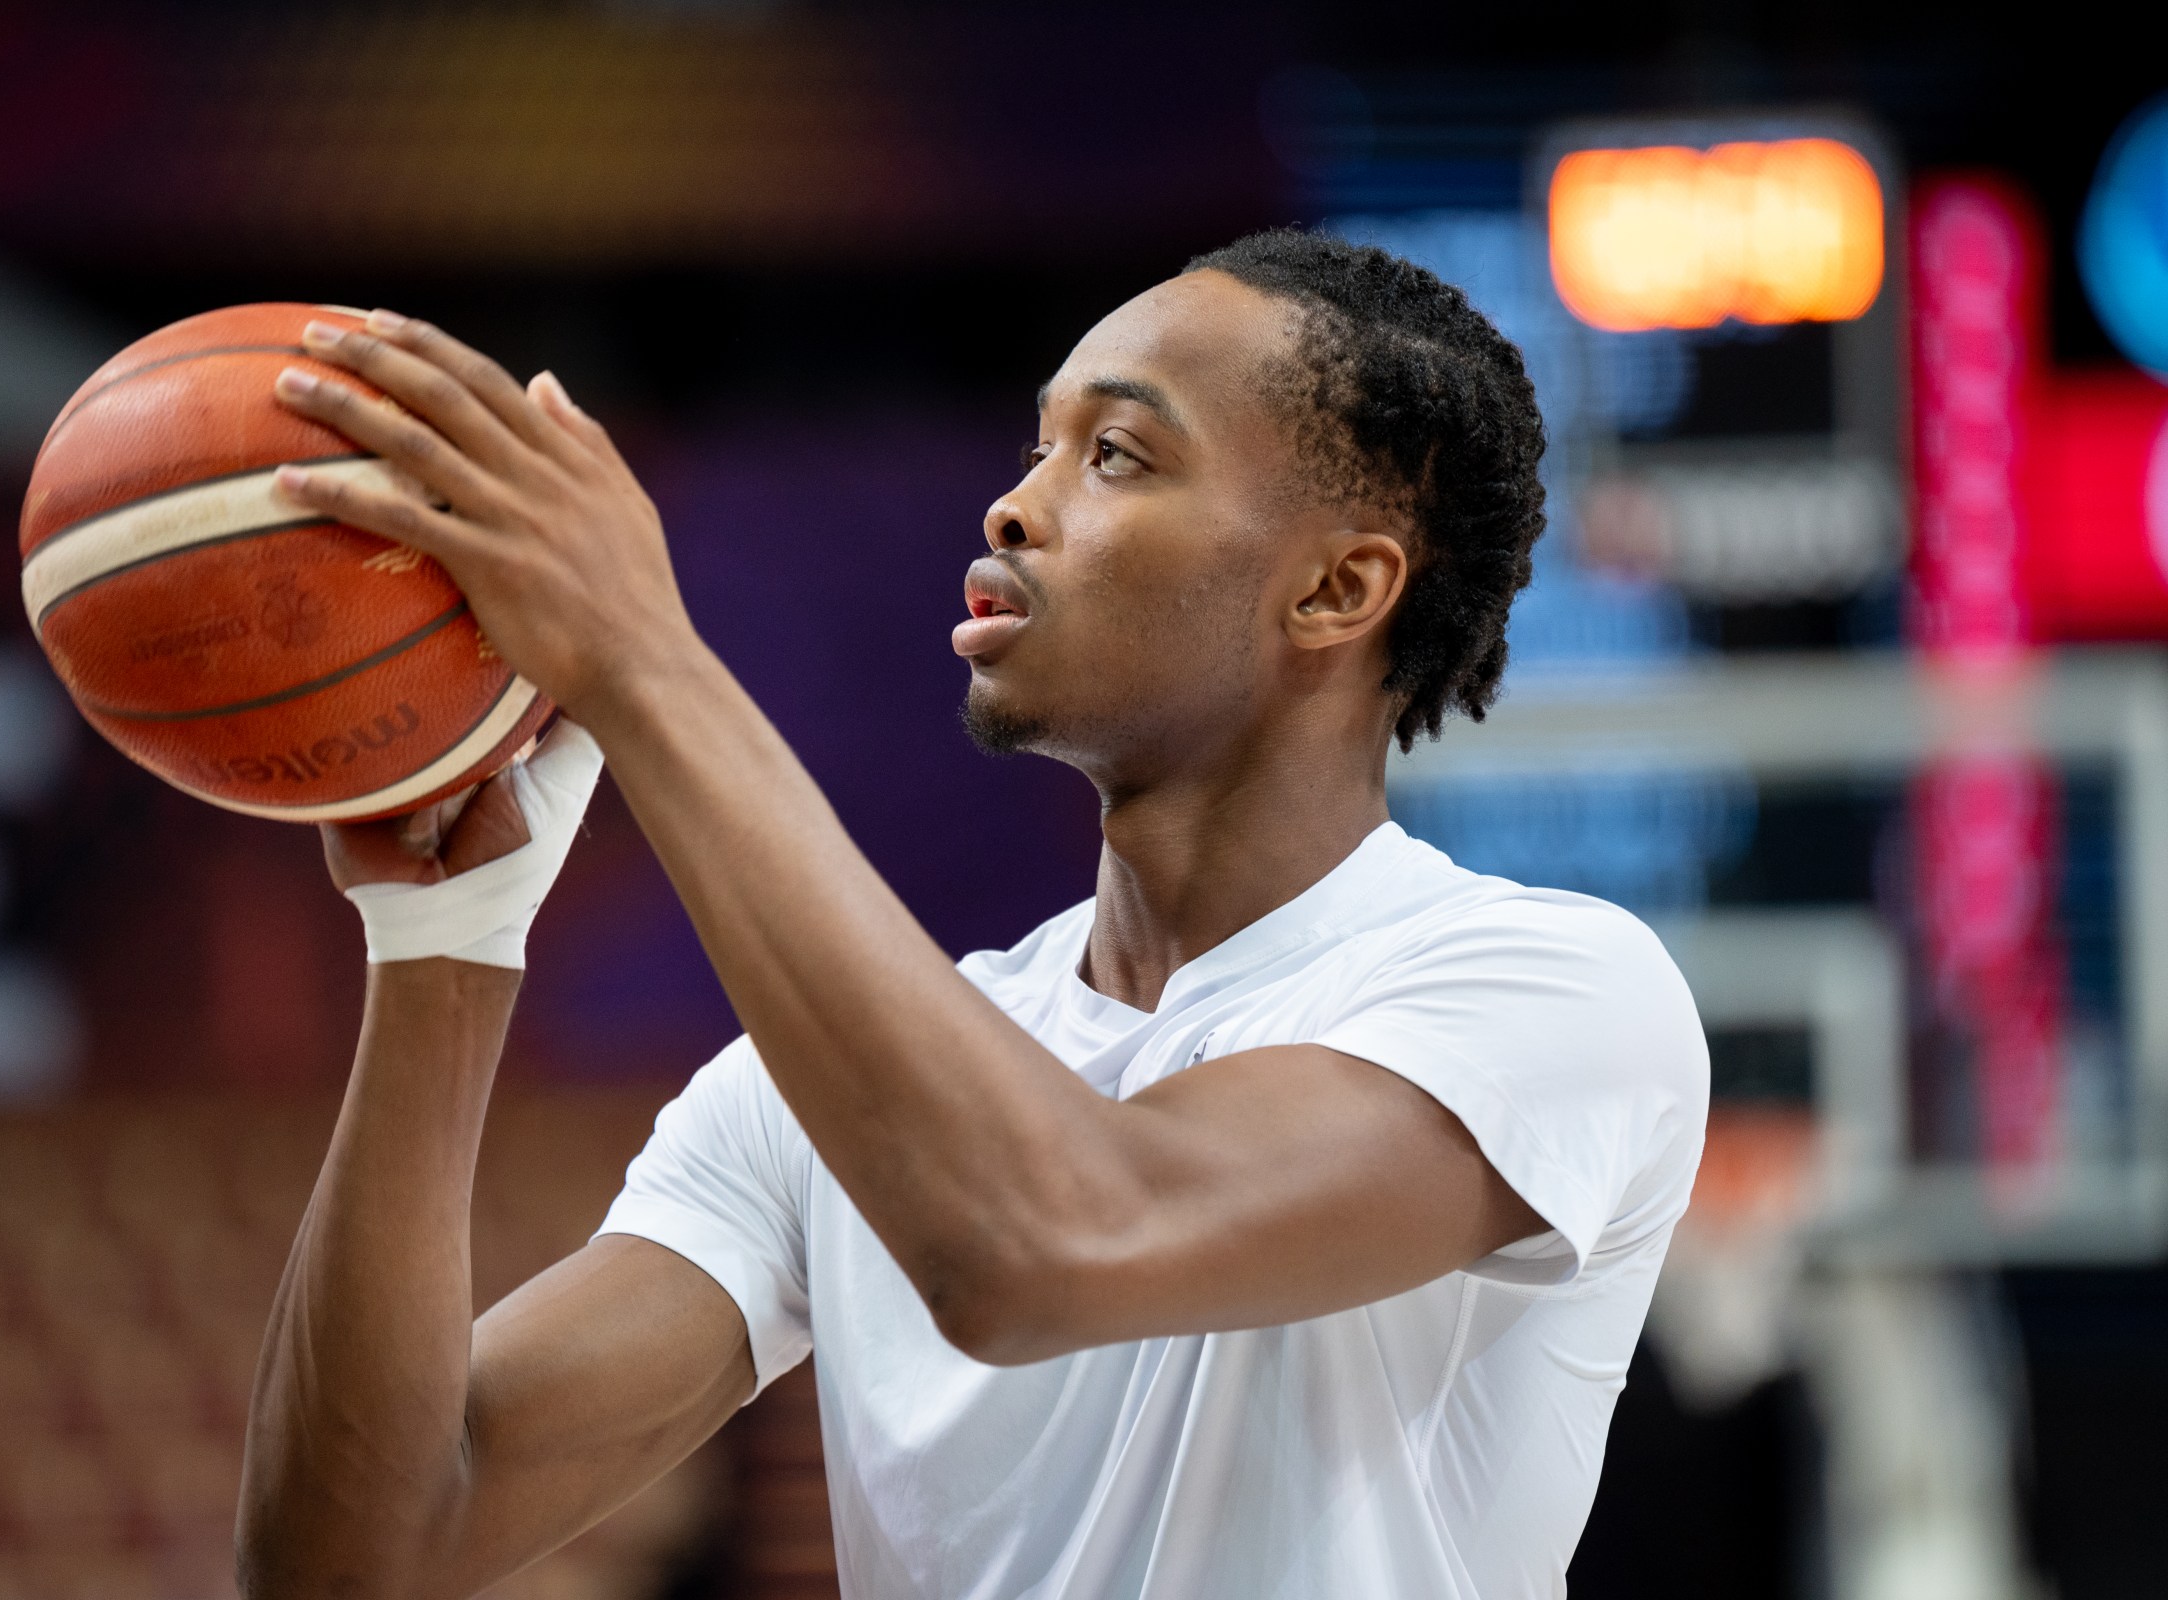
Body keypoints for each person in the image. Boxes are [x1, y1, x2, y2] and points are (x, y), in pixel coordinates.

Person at [237, 229, 1708, 1600]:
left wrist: (647, 669)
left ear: (1337, 589)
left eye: (1118, 454)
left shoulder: (1550, 992)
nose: (1018, 501)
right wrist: (444, 945)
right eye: (1039, 443)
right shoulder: (827, 1094)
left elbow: (1050, 1243)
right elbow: (356, 1552)